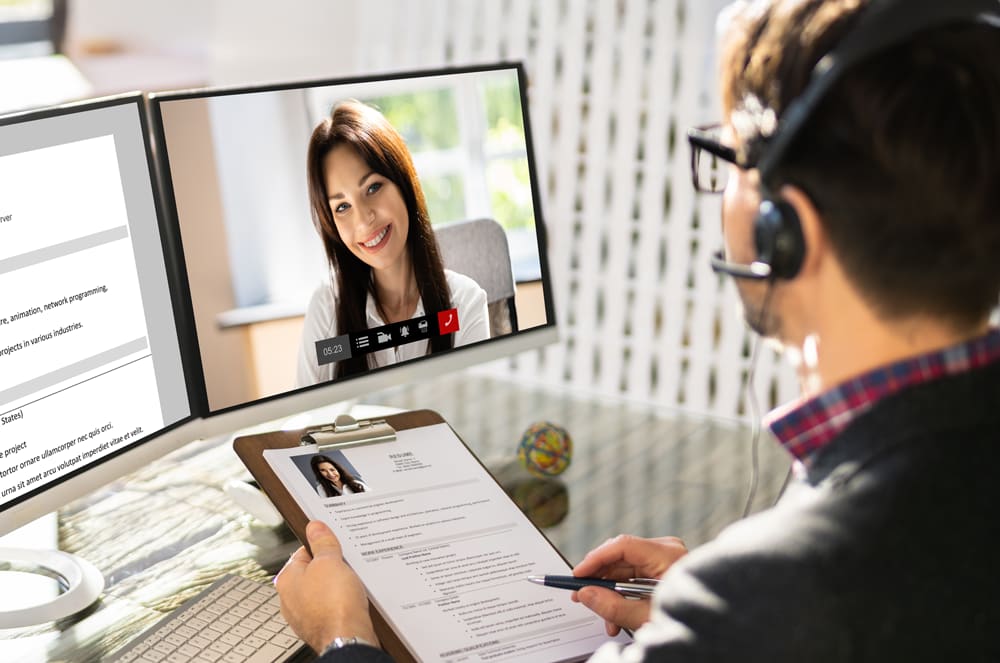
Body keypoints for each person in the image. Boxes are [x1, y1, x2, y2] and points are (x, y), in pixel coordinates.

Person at [274, 1, 1000, 660]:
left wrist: (343, 637)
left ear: (782, 228)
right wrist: (709, 602)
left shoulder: (768, 600)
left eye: (730, 160)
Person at [296, 100, 490, 386]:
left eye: (372, 187)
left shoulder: (465, 304)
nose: (363, 221)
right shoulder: (326, 307)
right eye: (342, 207)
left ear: (403, 183)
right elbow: (309, 411)